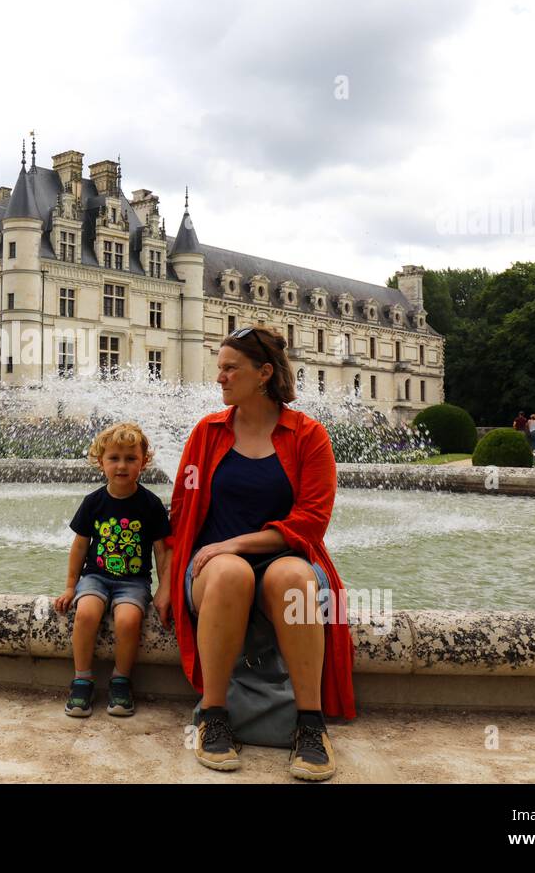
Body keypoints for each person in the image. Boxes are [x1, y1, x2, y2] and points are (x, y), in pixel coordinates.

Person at [167, 323, 354, 779]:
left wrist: (236, 541)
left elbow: (310, 521)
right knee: (232, 573)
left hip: (283, 555)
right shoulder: (206, 433)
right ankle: (215, 716)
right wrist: (166, 577)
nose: (220, 378)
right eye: (219, 368)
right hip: (215, 568)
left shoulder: (309, 436)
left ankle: (310, 724)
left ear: (264, 372)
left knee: (292, 578)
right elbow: (180, 509)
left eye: (231, 368)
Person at [54, 421, 171, 718]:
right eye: (114, 459)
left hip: (133, 582)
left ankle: (121, 679)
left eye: (131, 459)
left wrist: (163, 590)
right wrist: (70, 586)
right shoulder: (94, 502)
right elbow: (79, 547)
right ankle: (82, 678)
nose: (122, 466)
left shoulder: (151, 504)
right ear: (100, 462)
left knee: (129, 620)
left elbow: (161, 551)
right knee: (86, 614)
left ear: (143, 463)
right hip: (95, 577)